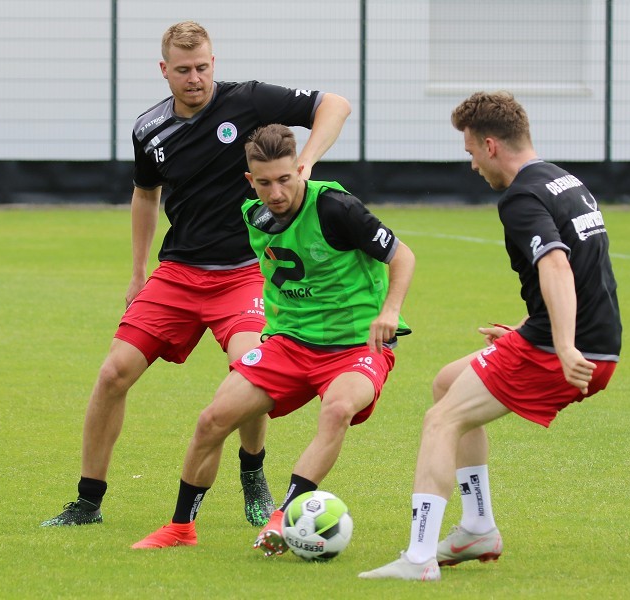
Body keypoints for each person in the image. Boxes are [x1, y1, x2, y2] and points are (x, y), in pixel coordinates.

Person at [41, 22, 351, 529]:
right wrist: (138, 272)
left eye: (203, 67)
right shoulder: (150, 129)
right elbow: (146, 195)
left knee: (250, 368)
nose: (195, 78)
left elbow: (334, 104)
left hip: (246, 273)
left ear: (214, 63)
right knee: (112, 373)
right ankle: (88, 501)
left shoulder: (248, 101)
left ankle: (253, 473)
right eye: (183, 70)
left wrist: (307, 164)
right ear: (164, 70)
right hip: (179, 272)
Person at [359, 91, 622, 581]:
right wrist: (529, 328)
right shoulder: (565, 180)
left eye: (471, 152)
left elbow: (558, 265)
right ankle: (477, 526)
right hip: (580, 340)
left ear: (491, 144)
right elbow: (592, 274)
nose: (473, 164)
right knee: (446, 382)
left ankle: (418, 561)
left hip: (564, 351)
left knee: (441, 420)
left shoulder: (522, 195)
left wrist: (562, 344)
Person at [128, 123, 415, 550]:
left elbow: (402, 255)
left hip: (356, 345)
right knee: (211, 421)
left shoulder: (337, 208)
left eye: (284, 179)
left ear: (300, 169)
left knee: (337, 410)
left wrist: (390, 311)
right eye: (264, 183)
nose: (276, 192)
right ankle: (180, 529)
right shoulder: (254, 215)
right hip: (289, 343)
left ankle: (284, 516)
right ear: (250, 181)